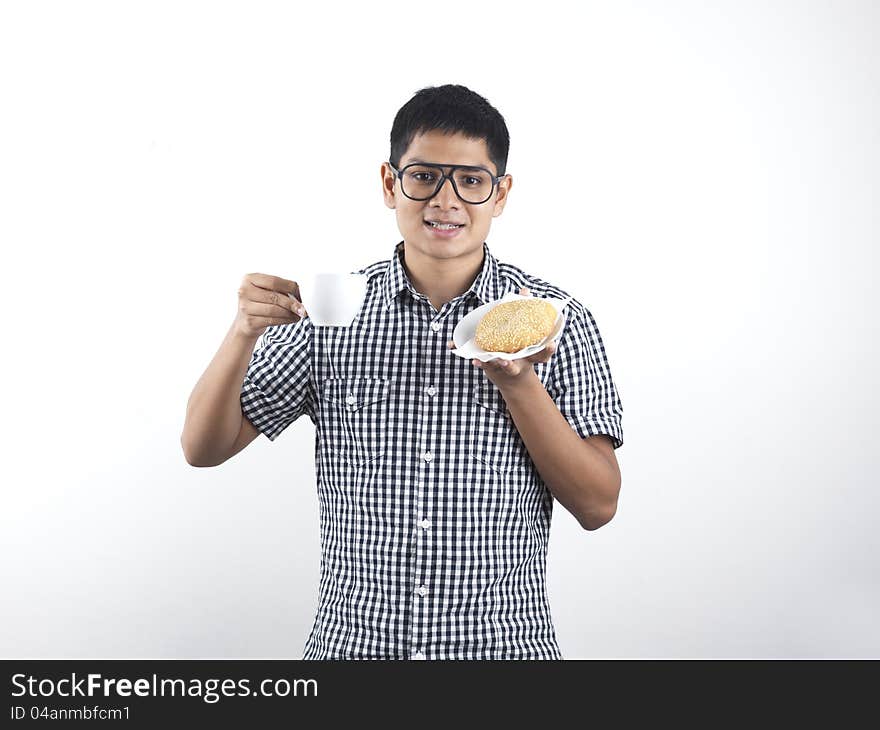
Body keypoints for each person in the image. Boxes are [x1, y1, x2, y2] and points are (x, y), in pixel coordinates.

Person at [181, 84, 624, 660]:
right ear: (390, 183)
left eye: (471, 180)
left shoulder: (553, 321)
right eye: (423, 177)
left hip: (501, 651)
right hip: (353, 650)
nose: (446, 201)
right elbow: (202, 447)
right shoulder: (330, 314)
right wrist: (243, 332)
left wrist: (519, 384)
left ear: (501, 193)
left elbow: (598, 506)